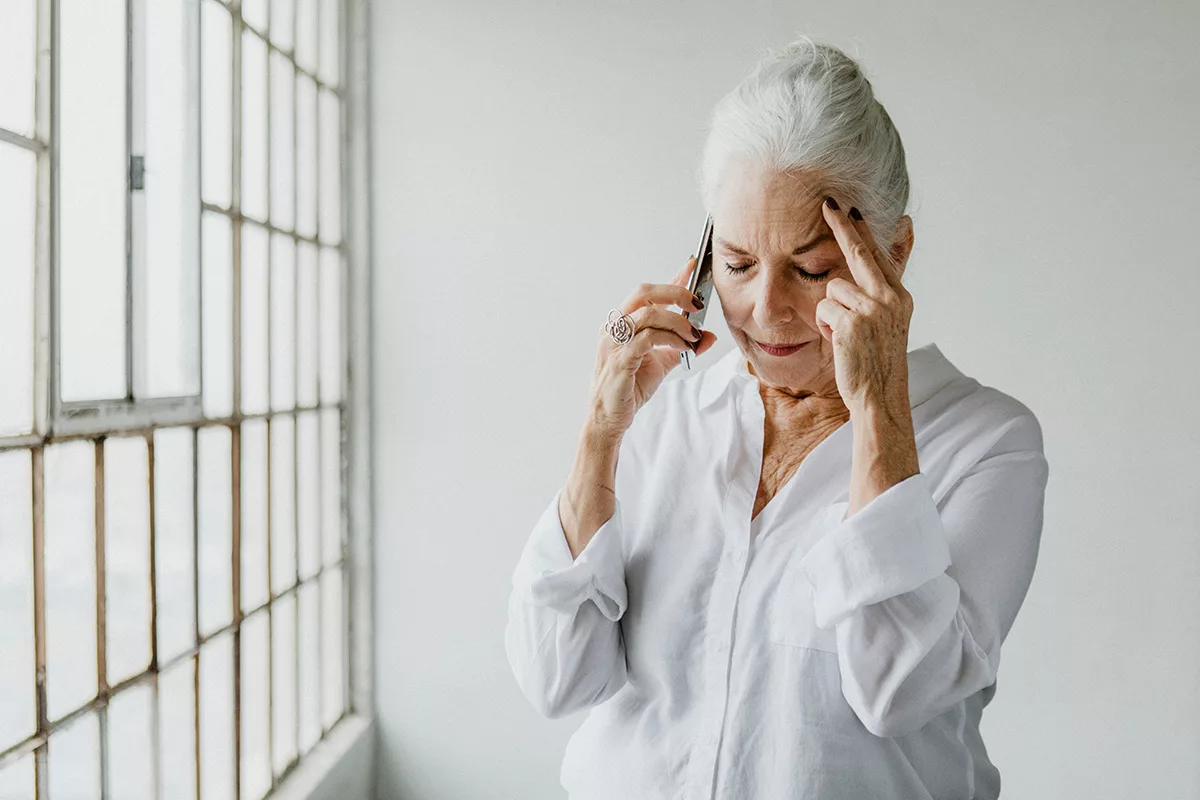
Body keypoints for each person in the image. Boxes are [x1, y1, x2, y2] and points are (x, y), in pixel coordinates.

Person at [505, 34, 1049, 800]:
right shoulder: (667, 415)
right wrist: (600, 433)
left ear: (892, 253)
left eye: (812, 267)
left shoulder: (988, 443)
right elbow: (556, 675)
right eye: (736, 264)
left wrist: (879, 408)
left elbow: (898, 687)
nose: (765, 310)